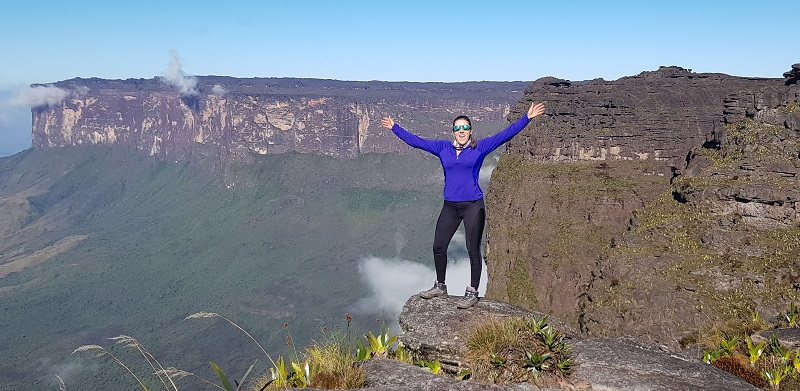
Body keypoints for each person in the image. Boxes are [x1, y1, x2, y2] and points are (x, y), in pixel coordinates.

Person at [380, 102, 546, 309]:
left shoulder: (480, 147)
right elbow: (416, 142)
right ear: (452, 132)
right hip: (450, 206)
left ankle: (472, 292)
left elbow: (506, 135)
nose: (461, 131)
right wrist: (395, 127)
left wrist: (527, 118)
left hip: (473, 206)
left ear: (471, 131)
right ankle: (440, 286)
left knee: (472, 250)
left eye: (465, 128)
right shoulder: (442, 148)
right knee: (438, 246)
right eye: (457, 128)